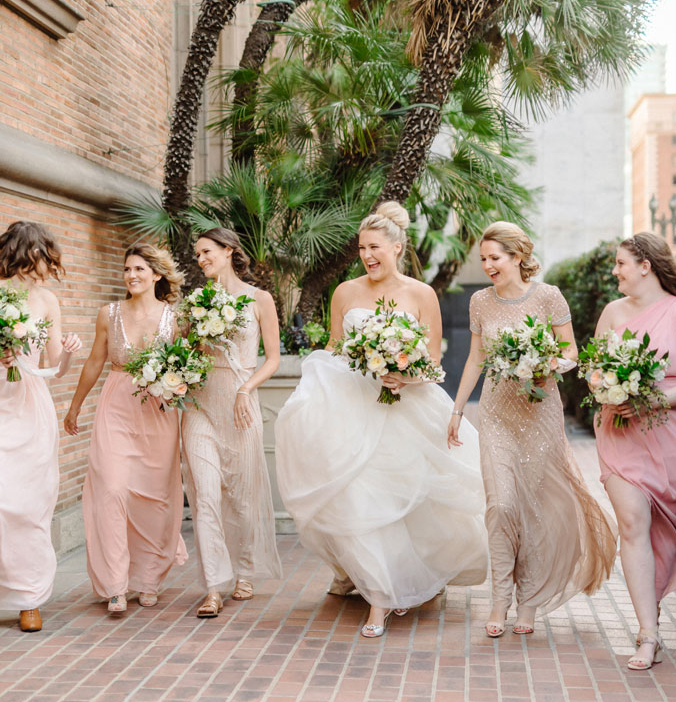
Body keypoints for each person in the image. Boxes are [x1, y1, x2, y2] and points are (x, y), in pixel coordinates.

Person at [275, 202, 488, 639]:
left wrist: (405, 375)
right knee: (361, 499)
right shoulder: (345, 292)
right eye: (361, 248)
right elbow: (336, 347)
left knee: (406, 501)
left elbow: (433, 359)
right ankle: (376, 592)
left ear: (396, 247)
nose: (366, 255)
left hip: (407, 407)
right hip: (354, 406)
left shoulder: (420, 294)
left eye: (374, 247)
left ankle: (406, 582)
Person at [448, 221, 617, 638]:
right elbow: (475, 359)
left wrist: (545, 368)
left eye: (495, 257)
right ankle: (499, 598)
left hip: (539, 414)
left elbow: (571, 353)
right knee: (501, 505)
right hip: (496, 413)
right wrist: (456, 410)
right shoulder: (479, 302)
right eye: (484, 259)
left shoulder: (548, 296)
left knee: (534, 509)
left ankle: (529, 601)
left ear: (518, 256)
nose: (488, 265)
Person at [593, 233, 676, 670]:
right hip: (619, 432)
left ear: (645, 266)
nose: (615, 271)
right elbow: (594, 371)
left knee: (671, 524)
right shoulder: (612, 313)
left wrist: (654, 400)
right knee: (633, 523)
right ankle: (648, 633)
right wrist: (606, 391)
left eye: (621, 263)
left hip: (673, 433)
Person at [65, 244, 187, 614]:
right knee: (112, 489)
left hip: (158, 411)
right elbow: (94, 362)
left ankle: (148, 579)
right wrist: (74, 406)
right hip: (117, 406)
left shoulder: (175, 318)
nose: (131, 276)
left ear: (156, 275)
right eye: (127, 269)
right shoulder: (109, 313)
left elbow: (186, 366)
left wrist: (177, 385)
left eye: (138, 269)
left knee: (155, 496)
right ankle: (116, 584)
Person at [181, 227, 283, 617]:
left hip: (241, 403)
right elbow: (186, 349)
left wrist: (246, 389)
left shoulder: (260, 299)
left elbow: (272, 358)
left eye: (206, 251)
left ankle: (245, 569)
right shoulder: (196, 302)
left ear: (228, 251)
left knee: (240, 495)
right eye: (198, 255)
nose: (201, 259)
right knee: (205, 494)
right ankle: (213, 586)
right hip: (200, 405)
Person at [0, 221, 81, 632]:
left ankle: (29, 597)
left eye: (48, 259)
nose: (46, 266)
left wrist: (67, 355)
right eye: (40, 257)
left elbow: (53, 368)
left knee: (29, 505)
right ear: (19, 254)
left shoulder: (47, 300)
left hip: (31, 407)